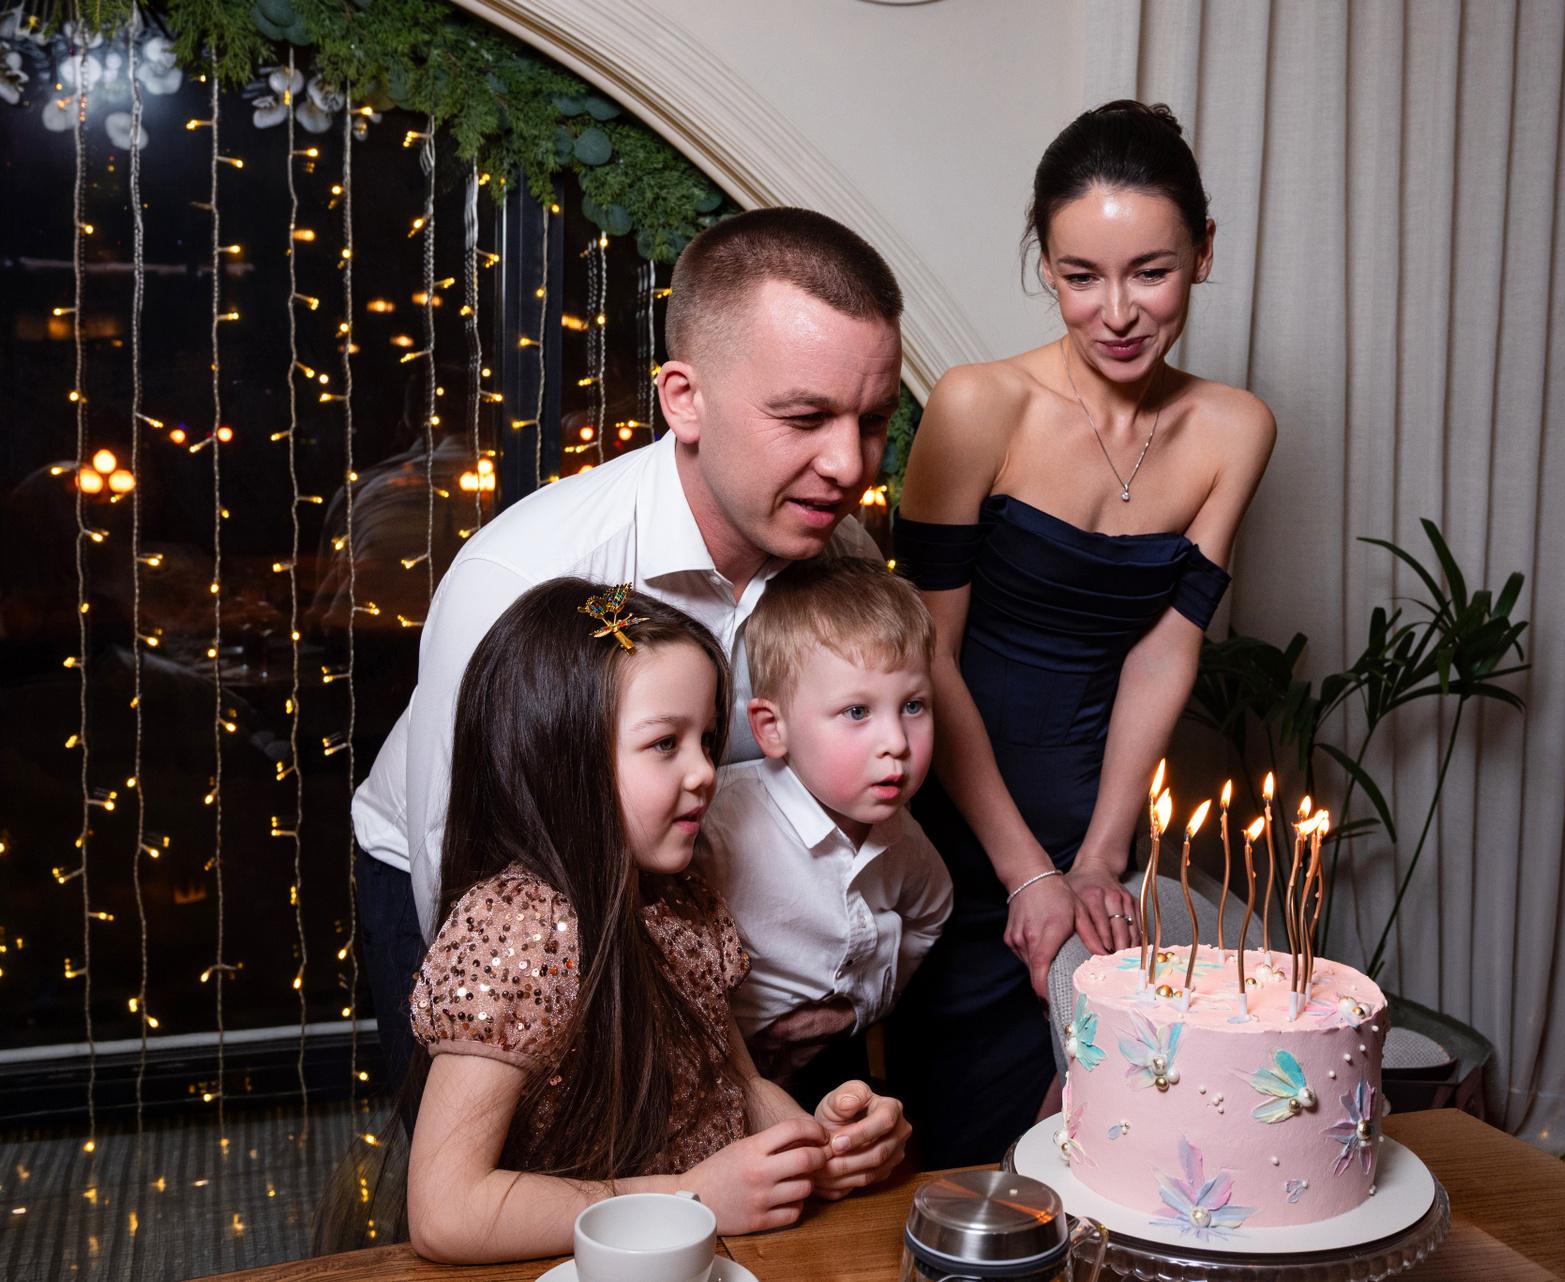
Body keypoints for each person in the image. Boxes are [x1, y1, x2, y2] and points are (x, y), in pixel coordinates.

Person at [350, 208, 903, 1095]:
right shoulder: (520, 578)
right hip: (494, 907)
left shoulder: (849, 564)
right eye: (806, 417)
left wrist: (840, 1000)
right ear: (684, 399)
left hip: (708, 906)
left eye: (873, 421)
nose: (850, 464)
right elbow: (465, 882)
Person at [885, 100, 1277, 1166]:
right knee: (959, 1148)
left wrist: (1101, 856)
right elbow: (925, 655)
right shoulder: (979, 406)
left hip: (1099, 814)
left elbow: (1164, 646)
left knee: (1105, 1135)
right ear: (1046, 267)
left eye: (1151, 272)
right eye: (1080, 276)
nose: (1117, 312)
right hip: (957, 820)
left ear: (1203, 252)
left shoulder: (1235, 429)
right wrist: (1026, 873)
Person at [405, 579, 910, 1262]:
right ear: (563, 757)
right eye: (666, 743)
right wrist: (688, 1199)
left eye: (707, 738)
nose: (705, 772)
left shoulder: (681, 899)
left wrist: (818, 1148)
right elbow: (446, 1212)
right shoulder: (521, 927)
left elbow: (740, 1086)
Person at [697, 558, 952, 1110]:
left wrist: (857, 1009)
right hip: (712, 1073)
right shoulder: (719, 829)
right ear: (773, 729)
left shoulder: (905, 840)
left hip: (834, 1056)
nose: (896, 742)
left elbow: (931, 914)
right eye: (857, 711)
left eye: (913, 706)